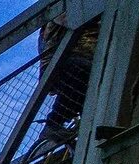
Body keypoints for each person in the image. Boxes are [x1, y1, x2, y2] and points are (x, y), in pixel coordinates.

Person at [36, 18, 99, 151]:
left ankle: (84, 145)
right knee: (81, 73)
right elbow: (73, 16)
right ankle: (54, 123)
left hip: (87, 59)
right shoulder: (63, 9)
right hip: (64, 63)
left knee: (88, 102)